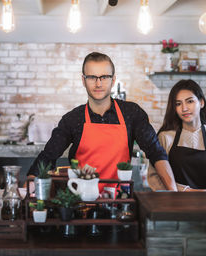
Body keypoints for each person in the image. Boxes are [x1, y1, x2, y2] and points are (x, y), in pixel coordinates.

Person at [27, 52, 177, 191]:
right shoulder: (72, 119)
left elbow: (156, 152)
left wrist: (174, 193)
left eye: (104, 77)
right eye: (92, 77)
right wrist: (27, 189)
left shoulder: (132, 113)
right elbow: (48, 157)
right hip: (80, 202)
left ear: (113, 80)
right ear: (83, 80)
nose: (98, 84)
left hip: (120, 202)